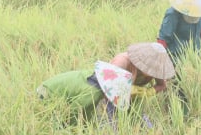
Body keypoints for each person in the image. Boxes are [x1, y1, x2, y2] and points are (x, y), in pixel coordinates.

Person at [36, 42, 175, 125]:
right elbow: (74, 113)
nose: (152, 73)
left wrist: (145, 92)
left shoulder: (157, 69)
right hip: (46, 93)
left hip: (121, 92)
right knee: (105, 118)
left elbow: (161, 85)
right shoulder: (120, 64)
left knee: (137, 116)